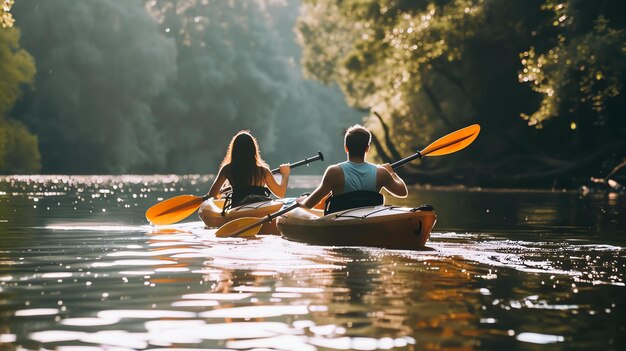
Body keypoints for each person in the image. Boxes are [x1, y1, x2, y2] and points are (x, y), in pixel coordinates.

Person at [299, 124, 407, 214]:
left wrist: (301, 202)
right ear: (367, 148)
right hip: (369, 221)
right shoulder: (381, 173)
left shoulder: (334, 172)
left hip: (340, 224)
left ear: (346, 147)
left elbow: (309, 204)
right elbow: (403, 192)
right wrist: (392, 173)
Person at [207, 130, 290, 208]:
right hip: (260, 208)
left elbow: (211, 195)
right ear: (253, 150)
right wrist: (285, 174)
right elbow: (280, 193)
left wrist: (220, 193)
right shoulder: (263, 171)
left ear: (234, 150)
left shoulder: (227, 169)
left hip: (238, 208)